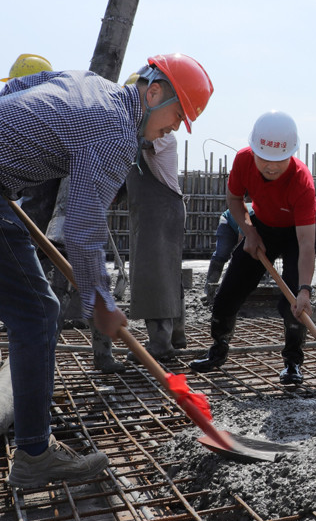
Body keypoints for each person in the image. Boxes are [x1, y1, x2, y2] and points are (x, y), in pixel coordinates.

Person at [0, 54, 213, 487]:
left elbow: (13, 92)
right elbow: (81, 230)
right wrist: (102, 300)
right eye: (177, 114)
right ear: (153, 92)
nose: (175, 126)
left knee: (32, 308)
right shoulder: (117, 131)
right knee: (39, 313)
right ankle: (35, 456)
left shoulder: (90, 83)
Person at [189, 111, 316, 386]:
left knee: (293, 304)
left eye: (279, 161)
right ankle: (218, 349)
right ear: (254, 151)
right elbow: (234, 198)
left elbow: (307, 243)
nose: (271, 167)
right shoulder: (243, 160)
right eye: (265, 159)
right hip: (262, 226)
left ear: (291, 154)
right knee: (228, 292)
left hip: (297, 233)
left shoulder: (301, 182)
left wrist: (305, 290)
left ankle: (293, 363)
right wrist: (249, 231)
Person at [125, 99, 187, 362]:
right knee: (166, 273)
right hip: (152, 212)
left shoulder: (161, 137)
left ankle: (161, 344)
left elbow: (137, 143)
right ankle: (175, 336)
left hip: (161, 211)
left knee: (156, 275)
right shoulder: (144, 135)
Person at [204, 203, 255, 299]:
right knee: (222, 254)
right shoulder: (251, 216)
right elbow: (241, 242)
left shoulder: (269, 221)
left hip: (241, 224)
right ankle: (209, 288)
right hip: (228, 222)